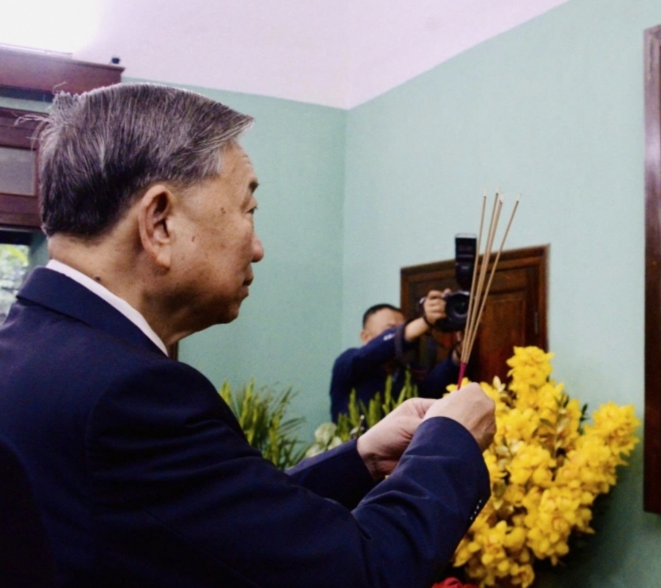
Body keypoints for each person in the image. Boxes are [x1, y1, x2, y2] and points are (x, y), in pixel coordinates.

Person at [0, 83, 496, 586]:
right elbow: (361, 574)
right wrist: (450, 444)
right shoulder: (130, 396)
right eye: (247, 210)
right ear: (160, 223)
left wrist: (361, 459)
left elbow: (209, 522)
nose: (257, 247)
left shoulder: (30, 351)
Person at [329, 301, 462, 421]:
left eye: (402, 328)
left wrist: (459, 353)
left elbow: (432, 387)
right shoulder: (347, 363)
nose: (407, 335)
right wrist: (425, 322)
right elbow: (370, 353)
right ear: (366, 337)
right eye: (390, 329)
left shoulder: (406, 373)